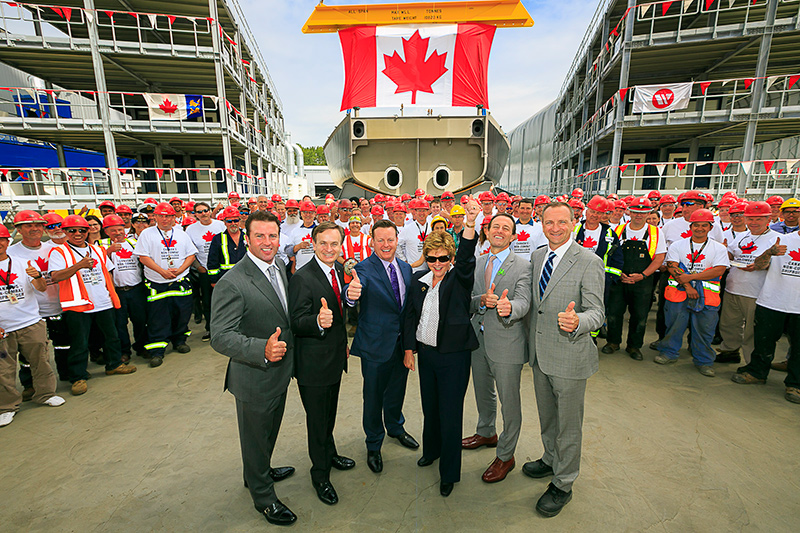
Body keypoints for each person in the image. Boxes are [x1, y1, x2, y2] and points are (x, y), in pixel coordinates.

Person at [210, 210, 298, 525]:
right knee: (255, 436)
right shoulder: (232, 281)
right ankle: (263, 495)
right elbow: (220, 337)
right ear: (247, 239)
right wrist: (261, 348)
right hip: (253, 376)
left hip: (280, 372)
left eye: (272, 236)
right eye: (259, 236)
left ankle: (260, 468)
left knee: (268, 432)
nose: (266, 242)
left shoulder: (280, 268)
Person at [521, 201, 605, 518]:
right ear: (541, 223)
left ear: (573, 222)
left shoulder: (588, 261)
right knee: (547, 416)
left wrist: (578, 322)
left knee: (569, 425)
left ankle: (564, 483)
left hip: (570, 356)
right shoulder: (538, 255)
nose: (555, 228)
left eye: (562, 222)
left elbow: (597, 312)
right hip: (541, 354)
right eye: (549, 222)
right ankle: (550, 457)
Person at [402, 199, 480, 497]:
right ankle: (431, 451)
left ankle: (449, 472)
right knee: (430, 407)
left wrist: (470, 225)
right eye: (432, 258)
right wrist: (409, 350)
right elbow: (411, 317)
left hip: (454, 358)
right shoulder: (418, 281)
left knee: (450, 413)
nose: (437, 264)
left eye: (443, 258)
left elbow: (468, 259)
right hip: (428, 355)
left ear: (451, 257)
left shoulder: (458, 279)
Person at [288, 222, 356, 506]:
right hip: (313, 364)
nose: (329, 249)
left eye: (334, 244)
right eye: (323, 244)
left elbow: (341, 312)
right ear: (313, 244)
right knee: (317, 422)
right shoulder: (303, 278)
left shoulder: (340, 271)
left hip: (334, 357)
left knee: (329, 414)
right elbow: (295, 320)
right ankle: (320, 475)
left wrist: (353, 300)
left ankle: (330, 453)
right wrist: (316, 321)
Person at [345, 219, 419, 474]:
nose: (386, 245)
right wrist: (350, 293)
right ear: (372, 241)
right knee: (374, 396)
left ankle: (396, 427)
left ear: (397, 240)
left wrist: (409, 347)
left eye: (390, 239)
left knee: (397, 391)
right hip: (375, 346)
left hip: (399, 345)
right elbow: (353, 289)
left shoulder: (406, 269)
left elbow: (408, 311)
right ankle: (374, 443)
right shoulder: (363, 269)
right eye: (380, 240)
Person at [463, 211, 532, 484]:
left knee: (509, 402)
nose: (499, 231)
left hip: (507, 341)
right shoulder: (477, 263)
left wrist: (509, 307)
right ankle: (486, 432)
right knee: (482, 392)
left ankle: (506, 455)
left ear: (513, 236)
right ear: (487, 232)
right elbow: (466, 300)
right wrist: (481, 299)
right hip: (477, 341)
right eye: (495, 226)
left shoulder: (523, 266)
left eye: (506, 228)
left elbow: (525, 301)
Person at [49, 215, 137, 395]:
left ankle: (114, 364)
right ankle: (78, 376)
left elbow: (107, 272)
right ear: (65, 232)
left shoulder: (97, 250)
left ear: (87, 231)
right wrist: (78, 265)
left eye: (82, 230)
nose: (77, 234)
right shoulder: (60, 252)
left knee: (111, 336)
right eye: (72, 230)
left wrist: (111, 295)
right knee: (80, 342)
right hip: (78, 304)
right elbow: (56, 276)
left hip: (103, 301)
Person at [0, 223, 65, 427]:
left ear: (7, 241)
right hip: (3, 328)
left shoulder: (22, 262)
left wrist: (36, 276)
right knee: (4, 369)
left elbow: (41, 287)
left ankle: (45, 394)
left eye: (1, 239)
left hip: (30, 322)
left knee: (41, 361)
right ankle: (7, 406)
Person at [730, 230, 800, 404]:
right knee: (763, 341)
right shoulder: (782, 240)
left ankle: (795, 384)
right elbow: (759, 265)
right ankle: (757, 373)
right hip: (773, 301)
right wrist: (770, 252)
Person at [657, 209, 729, 376]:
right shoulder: (678, 245)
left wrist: (690, 277)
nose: (700, 228)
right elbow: (672, 266)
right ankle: (669, 353)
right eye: (696, 225)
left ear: (710, 227)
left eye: (704, 225)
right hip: (679, 294)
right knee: (674, 325)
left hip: (707, 297)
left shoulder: (718, 248)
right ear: (691, 226)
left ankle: (704, 361)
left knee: (704, 330)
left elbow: (718, 270)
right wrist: (689, 286)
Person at [9, 211, 70, 388]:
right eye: (28, 225)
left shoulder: (54, 249)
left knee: (63, 345)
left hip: (57, 306)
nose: (34, 229)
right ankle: (29, 385)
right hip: (30, 312)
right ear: (18, 229)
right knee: (30, 353)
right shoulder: (12, 253)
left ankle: (66, 375)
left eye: (38, 225)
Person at [133, 202, 197, 367]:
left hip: (180, 281)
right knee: (157, 317)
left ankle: (179, 341)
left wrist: (181, 270)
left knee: (182, 313)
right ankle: (157, 350)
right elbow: (143, 257)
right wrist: (162, 271)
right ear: (155, 217)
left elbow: (191, 255)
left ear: (173, 217)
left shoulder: (182, 234)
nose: (164, 219)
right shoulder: (147, 234)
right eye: (161, 216)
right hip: (157, 283)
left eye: (168, 216)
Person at [717, 202, 780, 365]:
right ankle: (729, 351)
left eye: (759, 219)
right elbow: (731, 254)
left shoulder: (776, 239)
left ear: (768, 218)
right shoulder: (743, 236)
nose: (754, 222)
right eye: (750, 218)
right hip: (733, 287)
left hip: (756, 292)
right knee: (729, 323)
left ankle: (752, 363)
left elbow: (772, 264)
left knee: (752, 331)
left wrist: (760, 265)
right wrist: (724, 252)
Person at [604, 197, 666, 360]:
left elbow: (659, 258)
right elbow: (610, 254)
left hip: (643, 282)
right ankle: (613, 342)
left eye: (643, 212)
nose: (639, 215)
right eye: (636, 211)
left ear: (649, 213)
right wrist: (619, 273)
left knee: (639, 315)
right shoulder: (617, 230)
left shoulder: (656, 233)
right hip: (619, 279)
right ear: (629, 212)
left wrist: (643, 275)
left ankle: (634, 346)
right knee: (614, 313)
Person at [101, 215, 148, 363]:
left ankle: (141, 346)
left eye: (120, 229)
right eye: (113, 230)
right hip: (117, 291)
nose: (118, 233)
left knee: (140, 320)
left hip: (136, 289)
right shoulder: (101, 245)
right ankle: (124, 351)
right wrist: (108, 251)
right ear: (106, 231)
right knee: (120, 324)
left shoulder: (133, 242)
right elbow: (96, 264)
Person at [184, 202, 225, 341]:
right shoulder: (190, 229)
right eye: (199, 212)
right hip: (204, 271)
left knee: (224, 301)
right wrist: (198, 266)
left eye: (205, 210)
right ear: (195, 214)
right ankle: (210, 329)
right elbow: (189, 250)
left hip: (221, 270)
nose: (203, 214)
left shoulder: (220, 225)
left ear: (210, 211)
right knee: (207, 302)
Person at [207, 206, 247, 286]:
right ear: (224, 222)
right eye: (229, 221)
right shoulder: (218, 239)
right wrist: (214, 281)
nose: (233, 224)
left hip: (246, 277)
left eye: (235, 220)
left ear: (239, 221)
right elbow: (212, 261)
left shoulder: (248, 236)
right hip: (226, 279)